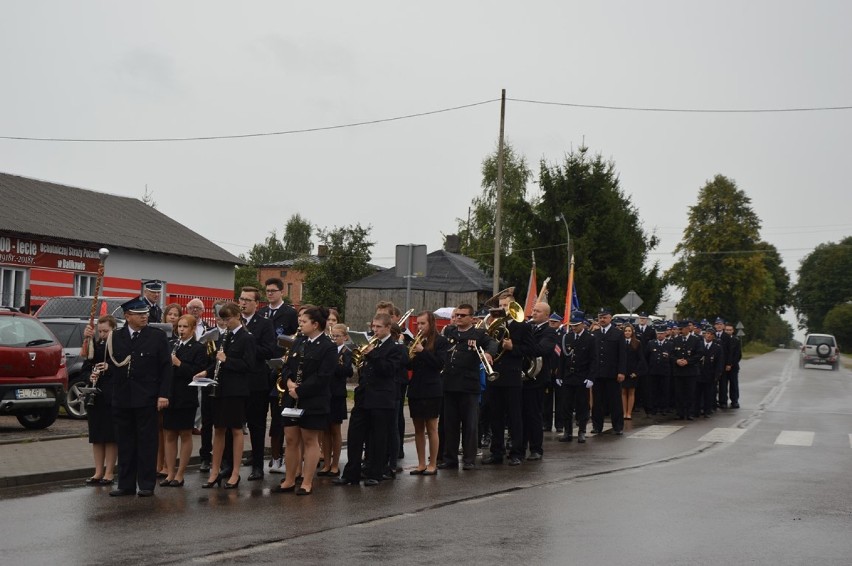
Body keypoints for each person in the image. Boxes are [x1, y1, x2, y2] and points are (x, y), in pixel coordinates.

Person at [106, 298, 172, 497]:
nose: (144, 316)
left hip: (147, 397)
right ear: (127, 317)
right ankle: (125, 484)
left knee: (147, 442)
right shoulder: (116, 337)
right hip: (123, 398)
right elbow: (109, 363)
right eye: (139, 314)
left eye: (145, 313)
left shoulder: (156, 336)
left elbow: (166, 368)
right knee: (125, 442)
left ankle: (146, 484)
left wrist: (163, 394)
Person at [334, 313, 405, 486]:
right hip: (364, 396)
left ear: (388, 327)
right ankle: (351, 473)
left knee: (378, 437)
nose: (375, 330)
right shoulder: (371, 344)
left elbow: (388, 370)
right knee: (355, 435)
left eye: (379, 327)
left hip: (382, 397)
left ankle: (376, 472)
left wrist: (372, 354)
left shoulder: (396, 348)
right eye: (373, 326)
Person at [273, 306, 337, 495]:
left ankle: (307, 482)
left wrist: (301, 390)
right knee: (291, 439)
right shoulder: (298, 342)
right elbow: (286, 366)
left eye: (304, 322)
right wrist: (289, 382)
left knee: (310, 440)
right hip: (292, 398)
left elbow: (324, 376)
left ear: (315, 324)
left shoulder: (328, 346)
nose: (300, 324)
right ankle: (290, 479)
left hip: (313, 400)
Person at [198, 302, 255, 489]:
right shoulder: (226, 337)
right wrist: (206, 373)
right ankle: (215, 471)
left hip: (236, 391)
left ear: (238, 316)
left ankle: (235, 472)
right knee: (219, 429)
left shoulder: (247, 338)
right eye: (223, 319)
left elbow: (248, 366)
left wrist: (227, 360)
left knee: (236, 430)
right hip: (220, 389)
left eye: (228, 318)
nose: (225, 322)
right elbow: (217, 362)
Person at [439, 304, 496, 471]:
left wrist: (488, 353)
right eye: (457, 315)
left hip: (468, 385)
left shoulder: (479, 334)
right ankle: (450, 458)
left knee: (470, 425)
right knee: (450, 424)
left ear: (472, 318)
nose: (458, 318)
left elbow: (492, 344)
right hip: (450, 384)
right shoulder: (450, 331)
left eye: (463, 315)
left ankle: (469, 459)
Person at [483, 293, 534, 466]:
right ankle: (496, 452)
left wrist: (513, 347)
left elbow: (530, 350)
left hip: (512, 376)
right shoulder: (494, 325)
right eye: (501, 305)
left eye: (506, 305)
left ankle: (517, 452)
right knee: (495, 415)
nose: (503, 308)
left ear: (513, 307)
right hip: (494, 374)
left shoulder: (523, 326)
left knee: (514, 416)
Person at [258, 277, 299, 474]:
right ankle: (269, 456)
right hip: (263, 367)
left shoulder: (290, 313)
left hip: (280, 368)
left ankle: (278, 456)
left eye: (273, 290)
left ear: (282, 292)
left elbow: (294, 339)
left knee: (277, 415)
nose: (270, 294)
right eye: (267, 291)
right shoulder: (262, 312)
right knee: (259, 414)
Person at [161, 314, 207, 487]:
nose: (181, 330)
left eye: (185, 327)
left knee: (185, 434)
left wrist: (179, 363)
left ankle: (180, 473)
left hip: (186, 396)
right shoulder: (172, 345)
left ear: (193, 329)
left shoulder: (198, 348)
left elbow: (196, 372)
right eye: (179, 326)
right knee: (170, 434)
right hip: (170, 395)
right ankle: (170, 472)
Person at [237, 286, 277, 482]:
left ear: (256, 304)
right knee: (234, 425)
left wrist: (248, 342)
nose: (243, 302)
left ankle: (257, 466)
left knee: (257, 426)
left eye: (247, 300)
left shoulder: (264, 324)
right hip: (236, 380)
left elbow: (269, 350)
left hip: (256, 381)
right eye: (241, 298)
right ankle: (230, 465)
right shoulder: (233, 322)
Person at [407, 311, 449, 475]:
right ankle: (421, 463)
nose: (419, 326)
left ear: (431, 324)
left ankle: (433, 463)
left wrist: (422, 351)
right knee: (418, 428)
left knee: (431, 427)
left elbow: (439, 364)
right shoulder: (416, 341)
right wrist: (407, 354)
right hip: (416, 388)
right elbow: (409, 366)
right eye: (418, 324)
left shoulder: (441, 341)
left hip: (432, 388)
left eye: (423, 323)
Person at [81, 315, 118, 486]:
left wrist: (109, 368)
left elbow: (123, 368)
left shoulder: (118, 347)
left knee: (110, 436)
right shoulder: (95, 346)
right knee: (96, 435)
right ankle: (98, 471)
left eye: (106, 331)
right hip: (95, 394)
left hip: (111, 395)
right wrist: (91, 374)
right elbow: (85, 366)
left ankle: (109, 472)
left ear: (113, 330)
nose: (102, 335)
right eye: (100, 331)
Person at [523, 302, 557, 461]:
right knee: (520, 414)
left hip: (537, 378)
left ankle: (536, 448)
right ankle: (519, 447)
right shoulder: (528, 328)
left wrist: (525, 336)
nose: (533, 313)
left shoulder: (549, 331)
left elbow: (541, 350)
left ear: (546, 315)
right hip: (522, 376)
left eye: (537, 311)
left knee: (533, 414)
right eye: (533, 310)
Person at [318, 323, 352, 478]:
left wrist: (332, 364)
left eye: (338, 336)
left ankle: (335, 464)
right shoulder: (328, 350)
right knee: (324, 430)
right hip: (325, 393)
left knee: (335, 430)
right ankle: (326, 463)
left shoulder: (346, 352)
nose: (335, 339)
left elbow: (348, 371)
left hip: (337, 394)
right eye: (333, 336)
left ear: (345, 337)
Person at [557, 311, 594, 443]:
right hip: (568, 376)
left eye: (576, 325)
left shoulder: (590, 339)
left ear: (583, 324)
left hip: (582, 377)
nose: (574, 327)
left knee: (582, 406)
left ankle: (582, 431)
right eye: (572, 325)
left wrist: (591, 377)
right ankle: (568, 432)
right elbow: (562, 358)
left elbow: (593, 360)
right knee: (565, 406)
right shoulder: (567, 337)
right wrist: (559, 375)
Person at [590, 308, 628, 435]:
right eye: (600, 317)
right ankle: (597, 426)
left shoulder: (617, 334)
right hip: (598, 373)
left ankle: (618, 426)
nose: (602, 319)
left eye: (605, 317)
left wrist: (621, 371)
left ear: (610, 318)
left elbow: (622, 355)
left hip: (613, 374)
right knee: (597, 402)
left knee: (615, 401)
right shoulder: (595, 334)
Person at [157, 302, 182, 476]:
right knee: (157, 428)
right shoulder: (159, 336)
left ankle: (168, 464)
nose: (172, 317)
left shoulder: (178, 339)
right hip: (156, 383)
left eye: (176, 314)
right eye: (170, 314)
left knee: (168, 429)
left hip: (173, 386)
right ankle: (157, 463)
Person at [671, 320, 703, 421]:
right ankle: (679, 412)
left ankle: (690, 412)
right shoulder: (676, 340)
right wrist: (677, 360)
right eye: (679, 329)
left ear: (687, 328)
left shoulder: (696, 340)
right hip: (679, 371)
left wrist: (688, 361)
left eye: (682, 329)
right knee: (679, 393)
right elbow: (671, 354)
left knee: (690, 392)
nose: (680, 331)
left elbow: (699, 354)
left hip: (690, 371)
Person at [542, 312, 565, 433]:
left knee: (560, 399)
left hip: (559, 371)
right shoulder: (546, 333)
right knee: (547, 399)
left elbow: (563, 354)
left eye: (555, 322)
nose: (552, 324)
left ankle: (559, 424)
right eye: (550, 322)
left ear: (560, 322)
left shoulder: (564, 335)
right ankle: (546, 423)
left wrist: (559, 368)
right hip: (547, 369)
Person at [644, 325, 673, 416]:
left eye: (661, 334)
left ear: (665, 334)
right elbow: (646, 356)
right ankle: (654, 407)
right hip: (653, 371)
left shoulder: (670, 344)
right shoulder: (651, 343)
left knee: (664, 390)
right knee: (653, 390)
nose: (659, 335)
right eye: (658, 334)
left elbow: (672, 357)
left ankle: (663, 408)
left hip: (665, 371)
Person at [621, 324, 647, 421]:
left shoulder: (637, 343)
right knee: (623, 392)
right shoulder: (621, 342)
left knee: (631, 392)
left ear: (632, 332)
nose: (627, 332)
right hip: (623, 371)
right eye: (625, 331)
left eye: (629, 331)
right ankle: (624, 412)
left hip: (633, 372)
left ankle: (629, 413)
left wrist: (636, 372)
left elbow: (641, 359)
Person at [697, 326, 724, 418]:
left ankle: (707, 410)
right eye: (707, 334)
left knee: (708, 393)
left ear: (713, 337)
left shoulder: (717, 348)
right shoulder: (699, 344)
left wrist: (717, 374)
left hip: (710, 374)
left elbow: (719, 362)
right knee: (697, 392)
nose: (708, 336)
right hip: (699, 373)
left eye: (711, 334)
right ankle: (698, 409)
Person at [722, 323, 743, 408]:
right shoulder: (721, 339)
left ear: (733, 331)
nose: (728, 331)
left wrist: (730, 364)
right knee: (723, 385)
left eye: (730, 330)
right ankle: (723, 401)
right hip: (723, 366)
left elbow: (738, 354)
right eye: (727, 330)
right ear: (724, 330)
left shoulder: (736, 340)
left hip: (733, 367)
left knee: (734, 384)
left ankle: (734, 401)